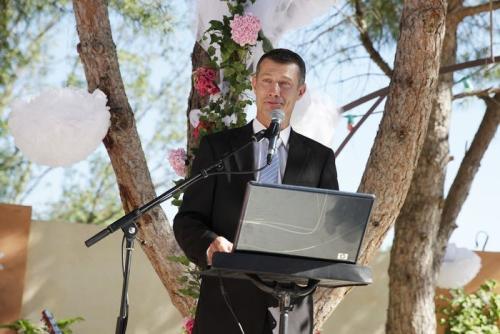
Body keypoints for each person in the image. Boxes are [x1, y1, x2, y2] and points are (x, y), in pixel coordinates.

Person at [173, 48, 339, 334]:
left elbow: (329, 232)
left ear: (300, 91)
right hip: (226, 307)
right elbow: (188, 220)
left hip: (292, 310)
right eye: (267, 81)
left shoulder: (320, 158)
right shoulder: (219, 148)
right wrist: (210, 244)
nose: (275, 90)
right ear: (253, 83)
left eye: (285, 83)